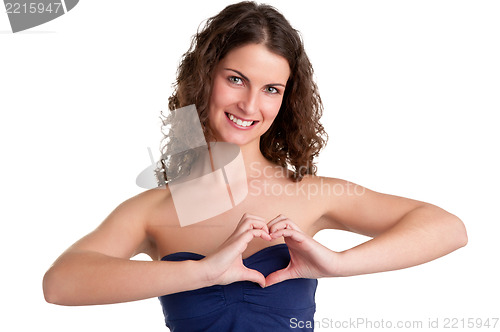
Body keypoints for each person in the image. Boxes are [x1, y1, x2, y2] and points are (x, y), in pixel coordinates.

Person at [43, 1, 468, 331]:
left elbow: (448, 228)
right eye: (235, 79)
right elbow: (60, 284)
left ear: (285, 99)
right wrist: (203, 271)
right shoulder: (152, 211)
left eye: (271, 89)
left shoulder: (310, 193)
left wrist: (337, 263)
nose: (250, 105)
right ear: (204, 77)